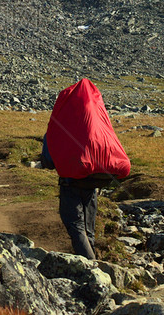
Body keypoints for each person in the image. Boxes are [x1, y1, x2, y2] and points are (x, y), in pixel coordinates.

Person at [41, 78, 131, 259]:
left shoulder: (58, 130)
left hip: (71, 184)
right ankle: (93, 265)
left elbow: (48, 162)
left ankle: (91, 269)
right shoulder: (99, 126)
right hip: (93, 185)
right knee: (88, 229)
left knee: (76, 228)